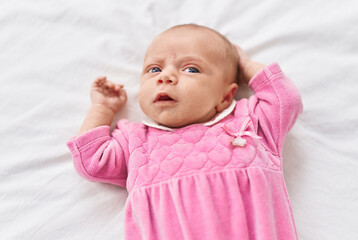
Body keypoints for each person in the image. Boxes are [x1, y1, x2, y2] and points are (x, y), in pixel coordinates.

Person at [67, 24, 303, 240]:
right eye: (154, 69)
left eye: (191, 69)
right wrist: (102, 108)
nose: (165, 77)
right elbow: (93, 160)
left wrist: (245, 65)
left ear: (226, 96)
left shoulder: (249, 121)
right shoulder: (135, 140)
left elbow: (285, 99)